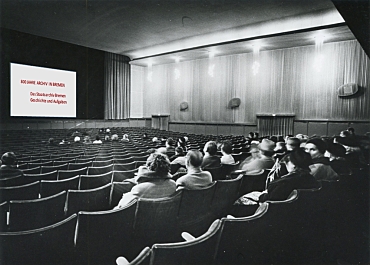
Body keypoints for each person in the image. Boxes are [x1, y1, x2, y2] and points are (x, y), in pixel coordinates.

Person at [235, 148, 319, 205]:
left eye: (287, 162)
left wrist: (263, 194)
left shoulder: (284, 183)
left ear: (293, 165)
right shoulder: (313, 180)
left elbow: (270, 200)